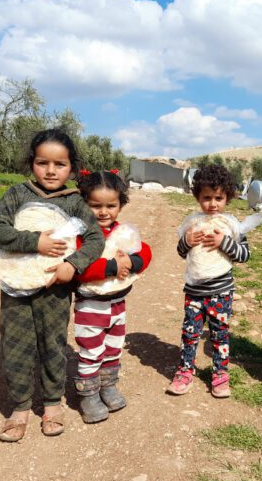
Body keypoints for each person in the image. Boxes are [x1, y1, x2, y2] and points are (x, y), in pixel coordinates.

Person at [0, 128, 104, 442]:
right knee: (15, 344)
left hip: (55, 288)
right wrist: (34, 241)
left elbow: (95, 240)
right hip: (15, 285)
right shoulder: (16, 195)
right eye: (42, 163)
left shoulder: (75, 202)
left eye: (60, 164)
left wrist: (72, 265)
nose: (51, 170)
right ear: (32, 164)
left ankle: (52, 404)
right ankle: (21, 407)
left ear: (72, 168)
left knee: (53, 344)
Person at [73, 170, 152, 423]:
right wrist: (111, 267)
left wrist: (132, 260)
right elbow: (79, 268)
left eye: (111, 205)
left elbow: (146, 251)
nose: (104, 212)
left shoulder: (123, 233)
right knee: (91, 350)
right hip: (91, 306)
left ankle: (108, 386)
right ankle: (89, 394)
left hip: (117, 303)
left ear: (121, 205)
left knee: (114, 347)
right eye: (95, 205)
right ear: (84, 204)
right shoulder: (80, 235)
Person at [168, 164, 250, 398]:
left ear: (228, 197)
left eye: (219, 198)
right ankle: (185, 371)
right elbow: (181, 252)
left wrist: (224, 242)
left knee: (219, 333)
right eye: (206, 198)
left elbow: (244, 255)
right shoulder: (192, 222)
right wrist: (188, 240)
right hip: (194, 290)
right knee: (190, 332)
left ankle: (220, 374)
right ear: (197, 197)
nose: (212, 204)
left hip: (221, 292)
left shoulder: (232, 225)